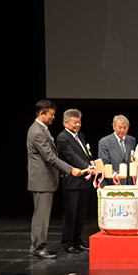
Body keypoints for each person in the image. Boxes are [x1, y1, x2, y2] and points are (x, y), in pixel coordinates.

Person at [27, 99, 83, 259]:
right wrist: (71, 169)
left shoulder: (42, 129)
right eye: (51, 114)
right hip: (41, 180)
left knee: (41, 215)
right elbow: (50, 157)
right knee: (41, 216)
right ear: (42, 113)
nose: (53, 117)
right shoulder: (37, 131)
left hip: (45, 179)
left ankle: (36, 246)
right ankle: (38, 248)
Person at [56, 108, 93, 254]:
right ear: (66, 122)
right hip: (72, 180)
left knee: (81, 213)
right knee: (71, 213)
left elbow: (85, 155)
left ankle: (77, 240)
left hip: (84, 179)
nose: (77, 125)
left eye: (79, 122)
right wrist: (88, 166)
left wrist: (92, 164)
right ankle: (68, 242)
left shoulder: (81, 136)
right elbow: (72, 157)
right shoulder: (62, 137)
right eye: (74, 122)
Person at [98, 115, 136, 185]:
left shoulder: (132, 140)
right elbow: (104, 163)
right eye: (120, 127)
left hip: (129, 183)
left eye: (125, 128)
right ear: (114, 126)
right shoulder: (104, 142)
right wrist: (114, 175)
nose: (122, 130)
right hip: (112, 182)